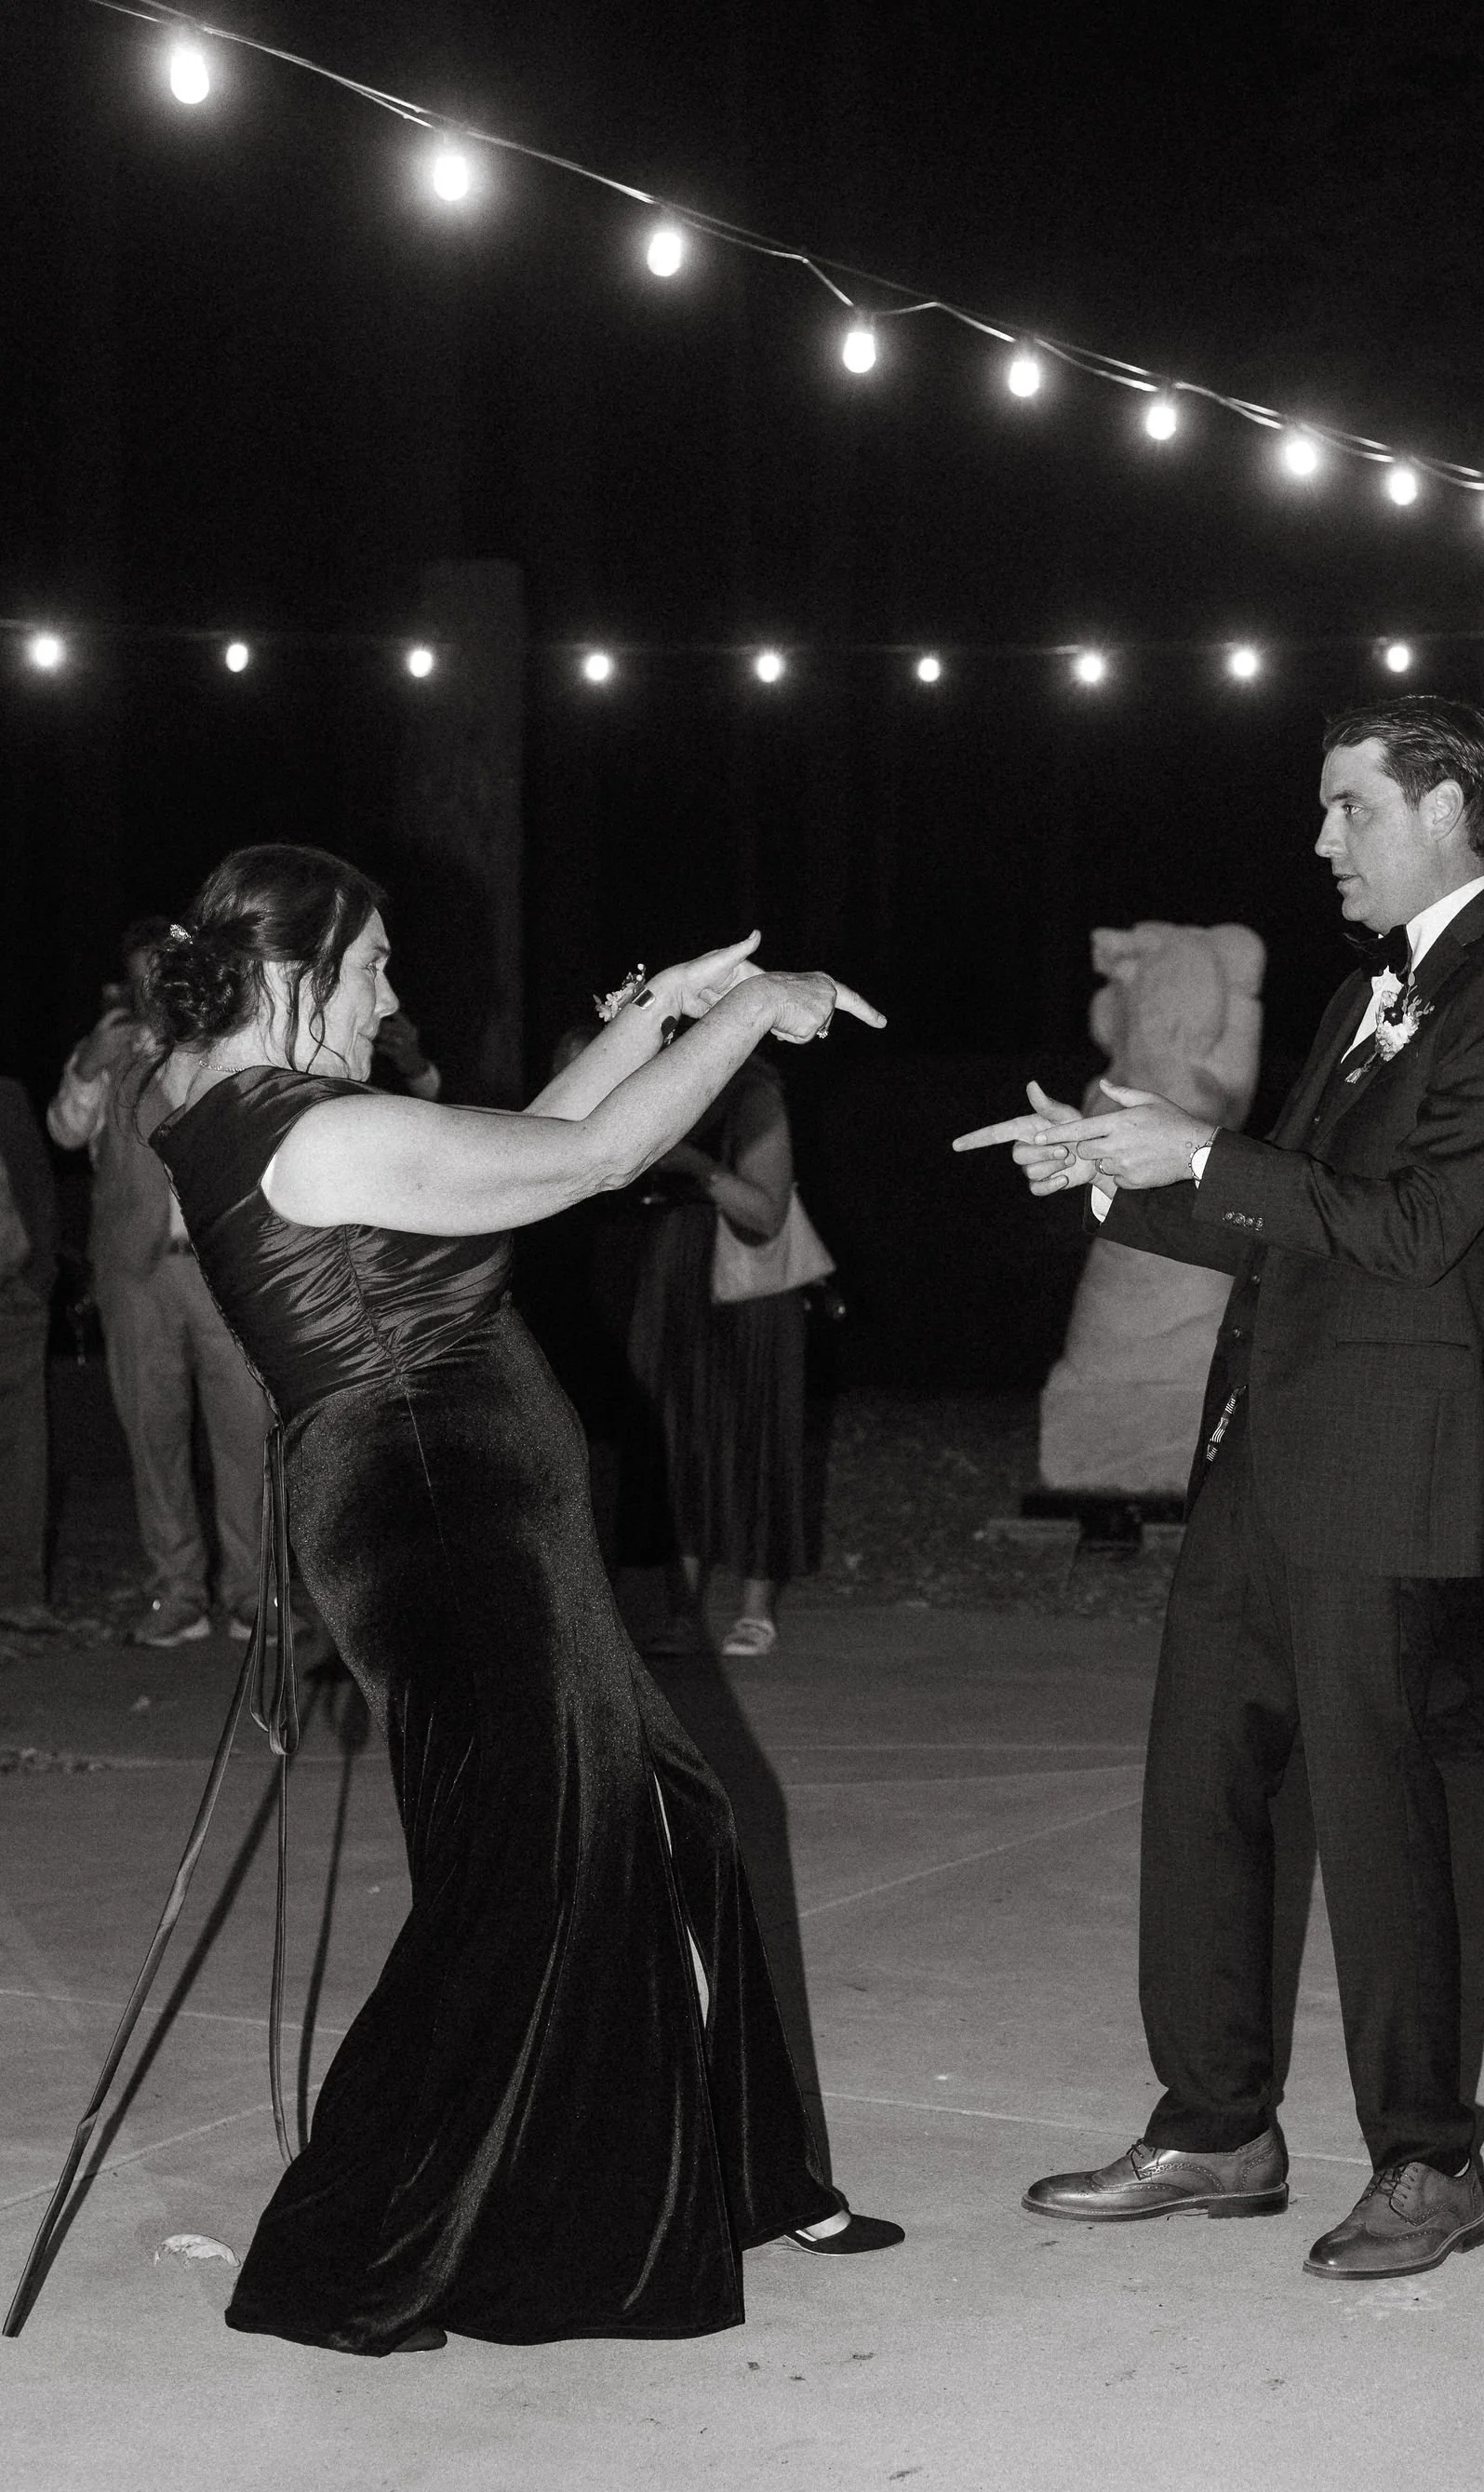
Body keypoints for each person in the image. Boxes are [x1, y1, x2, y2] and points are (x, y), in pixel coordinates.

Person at [144, 843, 896, 2356]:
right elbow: (591, 1163)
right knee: (515, 1891)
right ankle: (345, 2254)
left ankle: (749, 2172)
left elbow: (535, 1127)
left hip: (466, 1514)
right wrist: (759, 1011)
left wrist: (660, 1012)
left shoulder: (260, 1109)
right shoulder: (313, 1135)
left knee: (668, 1822)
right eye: (370, 967)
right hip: (441, 1526)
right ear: (294, 971)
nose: (391, 995)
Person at [956, 698, 1484, 2281]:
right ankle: (1215, 2122)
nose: (1320, 841)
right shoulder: (1368, 994)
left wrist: (1200, 1154)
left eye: (1345, 808)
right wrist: (1109, 1166)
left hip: (1377, 1470)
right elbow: (1279, 1219)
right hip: (1261, 1457)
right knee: (1194, 1787)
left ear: (1442, 807)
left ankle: (1427, 2162)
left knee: (1374, 1820)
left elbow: (1412, 1228)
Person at [47, 921, 271, 1646]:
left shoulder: (231, 1043)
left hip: (221, 1268)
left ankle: (250, 1594)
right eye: (141, 975)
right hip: (135, 1272)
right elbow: (63, 1132)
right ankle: (177, 1593)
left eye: (164, 973)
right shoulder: (111, 1046)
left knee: (246, 1433)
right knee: (153, 1433)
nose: (154, 989)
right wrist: (88, 1066)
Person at [624, 1051, 818, 1658]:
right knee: (675, 1437)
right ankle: (681, 1612)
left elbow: (767, 1210)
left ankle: (756, 1608)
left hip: (747, 1278)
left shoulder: (754, 1094)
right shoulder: (665, 1088)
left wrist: (695, 1166)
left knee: (755, 1431)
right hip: (676, 1272)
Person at [0, 1078, 59, 1632]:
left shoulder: (8, 1097)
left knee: (22, 1454)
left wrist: (40, 1277)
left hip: (11, 1297)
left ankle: (20, 1594)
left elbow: (37, 1188)